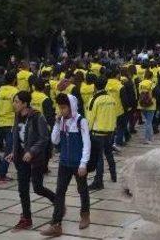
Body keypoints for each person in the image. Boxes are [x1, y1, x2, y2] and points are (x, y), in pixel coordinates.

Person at [40, 93, 91, 236]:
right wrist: (56, 123)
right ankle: (56, 224)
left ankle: (85, 214)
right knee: (59, 192)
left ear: (71, 107)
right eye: (60, 107)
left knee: (82, 189)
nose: (61, 110)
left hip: (77, 163)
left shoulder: (81, 121)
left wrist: (83, 163)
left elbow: (87, 143)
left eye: (64, 107)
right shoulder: (61, 121)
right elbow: (55, 141)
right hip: (64, 163)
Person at [7, 91, 56, 232]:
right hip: (21, 159)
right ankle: (26, 219)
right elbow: (18, 137)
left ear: (25, 103)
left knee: (38, 188)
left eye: (17, 101)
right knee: (22, 189)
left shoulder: (36, 116)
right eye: (14, 101)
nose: (14, 104)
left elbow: (44, 138)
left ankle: (57, 201)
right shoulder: (17, 116)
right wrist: (13, 152)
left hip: (36, 159)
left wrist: (31, 151)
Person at [88, 77, 117, 191]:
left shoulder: (94, 100)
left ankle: (98, 181)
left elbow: (90, 118)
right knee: (109, 153)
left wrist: (87, 131)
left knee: (99, 157)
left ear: (95, 86)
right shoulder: (111, 98)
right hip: (110, 131)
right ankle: (113, 175)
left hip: (98, 132)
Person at [0, 70, 18, 184]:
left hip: (0, 123)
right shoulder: (15, 92)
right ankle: (1, 175)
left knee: (13, 149)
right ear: (14, 80)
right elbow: (17, 108)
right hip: (11, 124)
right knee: (9, 151)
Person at [137, 70, 156, 143]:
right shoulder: (152, 84)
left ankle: (151, 137)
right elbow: (155, 93)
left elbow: (139, 93)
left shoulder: (140, 83)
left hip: (142, 105)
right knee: (149, 122)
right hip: (151, 105)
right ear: (151, 76)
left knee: (148, 121)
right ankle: (146, 139)